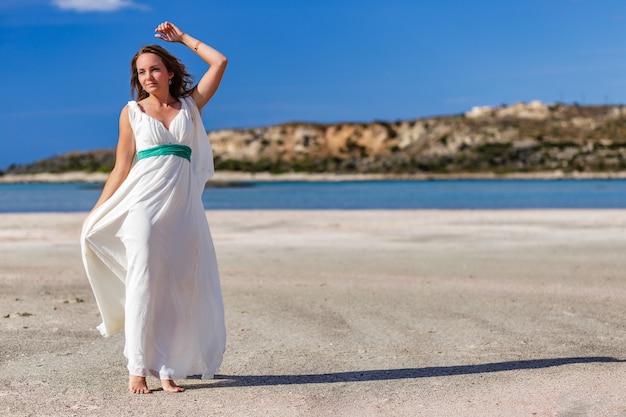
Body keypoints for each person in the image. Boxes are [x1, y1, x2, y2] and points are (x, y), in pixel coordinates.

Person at [80, 21, 228, 394]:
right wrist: (96, 212)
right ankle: (137, 367)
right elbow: (121, 168)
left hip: (183, 210)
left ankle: (166, 367)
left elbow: (220, 61)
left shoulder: (190, 105)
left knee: (178, 285)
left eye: (154, 69)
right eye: (141, 72)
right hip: (142, 206)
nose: (147, 76)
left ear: (170, 71)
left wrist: (182, 39)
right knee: (144, 279)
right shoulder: (131, 112)